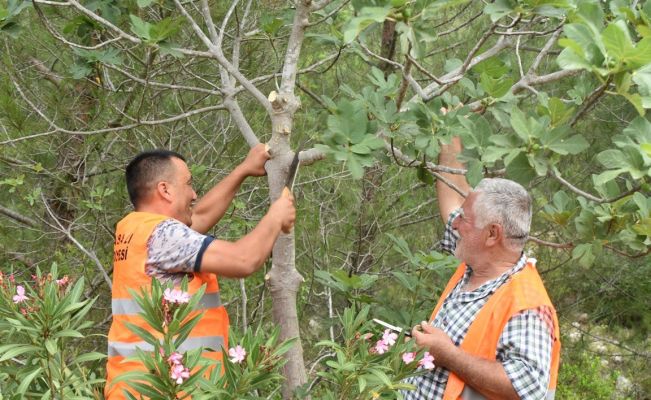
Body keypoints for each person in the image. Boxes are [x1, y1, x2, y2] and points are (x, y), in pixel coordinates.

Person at [105, 144, 295, 399]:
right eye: (188, 184)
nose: (194, 194)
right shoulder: (165, 235)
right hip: (164, 391)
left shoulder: (136, 229)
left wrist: (243, 171)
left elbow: (199, 217)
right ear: (165, 189)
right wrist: (276, 215)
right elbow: (243, 260)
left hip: (136, 388)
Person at [403, 137, 560, 400]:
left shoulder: (526, 306)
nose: (455, 224)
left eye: (464, 219)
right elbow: (453, 198)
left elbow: (527, 387)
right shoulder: (477, 258)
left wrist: (448, 355)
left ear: (491, 235)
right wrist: (450, 137)